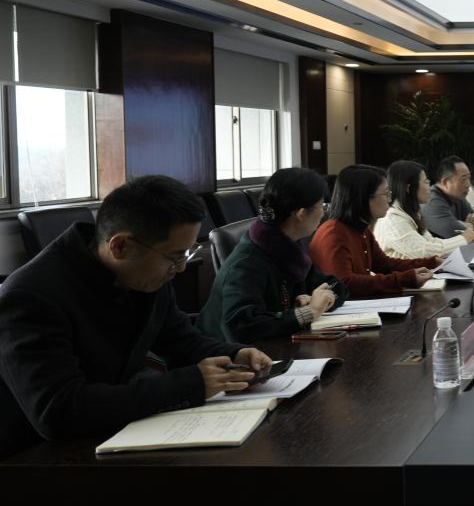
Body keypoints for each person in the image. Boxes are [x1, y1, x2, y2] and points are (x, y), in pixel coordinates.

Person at [0, 176, 271, 458]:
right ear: (120, 246)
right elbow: (57, 411)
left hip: (113, 431)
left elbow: (180, 340)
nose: (180, 268)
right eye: (175, 257)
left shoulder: (142, 272)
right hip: (37, 457)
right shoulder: (31, 296)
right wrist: (190, 384)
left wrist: (234, 354)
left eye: (185, 255)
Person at [198, 168, 349, 343]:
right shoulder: (247, 262)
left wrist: (318, 300)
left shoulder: (289, 247)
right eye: (322, 206)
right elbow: (241, 326)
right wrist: (308, 312)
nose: (323, 213)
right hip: (226, 354)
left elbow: (336, 286)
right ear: (301, 213)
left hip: (278, 346)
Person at [309, 164, 441, 298]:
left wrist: (432, 262)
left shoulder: (361, 229)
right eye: (386, 193)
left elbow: (385, 265)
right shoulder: (334, 234)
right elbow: (345, 283)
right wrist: (405, 279)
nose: (390, 199)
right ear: (363, 197)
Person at [375, 160, 474, 260]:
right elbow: (424, 252)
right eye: (425, 181)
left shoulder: (409, 213)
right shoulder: (393, 220)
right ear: (409, 188)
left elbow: (431, 242)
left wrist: (463, 239)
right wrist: (463, 239)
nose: (429, 185)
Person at [423, 156, 474, 241]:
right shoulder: (433, 201)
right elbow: (452, 234)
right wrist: (464, 227)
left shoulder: (458, 198)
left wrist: (467, 225)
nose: (468, 184)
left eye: (469, 178)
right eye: (463, 179)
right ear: (446, 182)